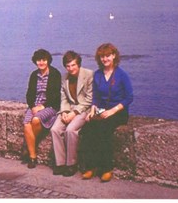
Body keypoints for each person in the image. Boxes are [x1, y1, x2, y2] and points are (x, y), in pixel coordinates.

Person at [80, 43, 133, 183]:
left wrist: (112, 111)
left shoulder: (121, 75)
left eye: (108, 56)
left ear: (114, 56)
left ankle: (106, 169)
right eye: (102, 56)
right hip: (102, 111)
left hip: (118, 112)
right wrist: (92, 111)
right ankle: (90, 167)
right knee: (87, 129)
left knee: (104, 130)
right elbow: (96, 97)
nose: (105, 59)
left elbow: (129, 97)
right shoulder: (97, 75)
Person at [50, 50, 94, 176]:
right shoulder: (64, 78)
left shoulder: (89, 75)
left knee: (70, 130)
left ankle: (71, 164)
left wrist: (74, 113)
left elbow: (89, 101)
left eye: (73, 65)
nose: (70, 68)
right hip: (68, 108)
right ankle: (60, 163)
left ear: (78, 64)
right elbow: (63, 98)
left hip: (83, 109)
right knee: (55, 129)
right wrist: (64, 111)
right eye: (68, 66)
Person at [23, 48, 61, 169]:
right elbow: (29, 94)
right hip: (35, 105)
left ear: (48, 60)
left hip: (49, 106)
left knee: (35, 120)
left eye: (44, 60)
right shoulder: (34, 75)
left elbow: (56, 95)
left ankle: (27, 146)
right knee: (26, 124)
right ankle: (32, 157)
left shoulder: (55, 74)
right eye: (39, 60)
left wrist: (42, 106)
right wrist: (33, 106)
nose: (41, 63)